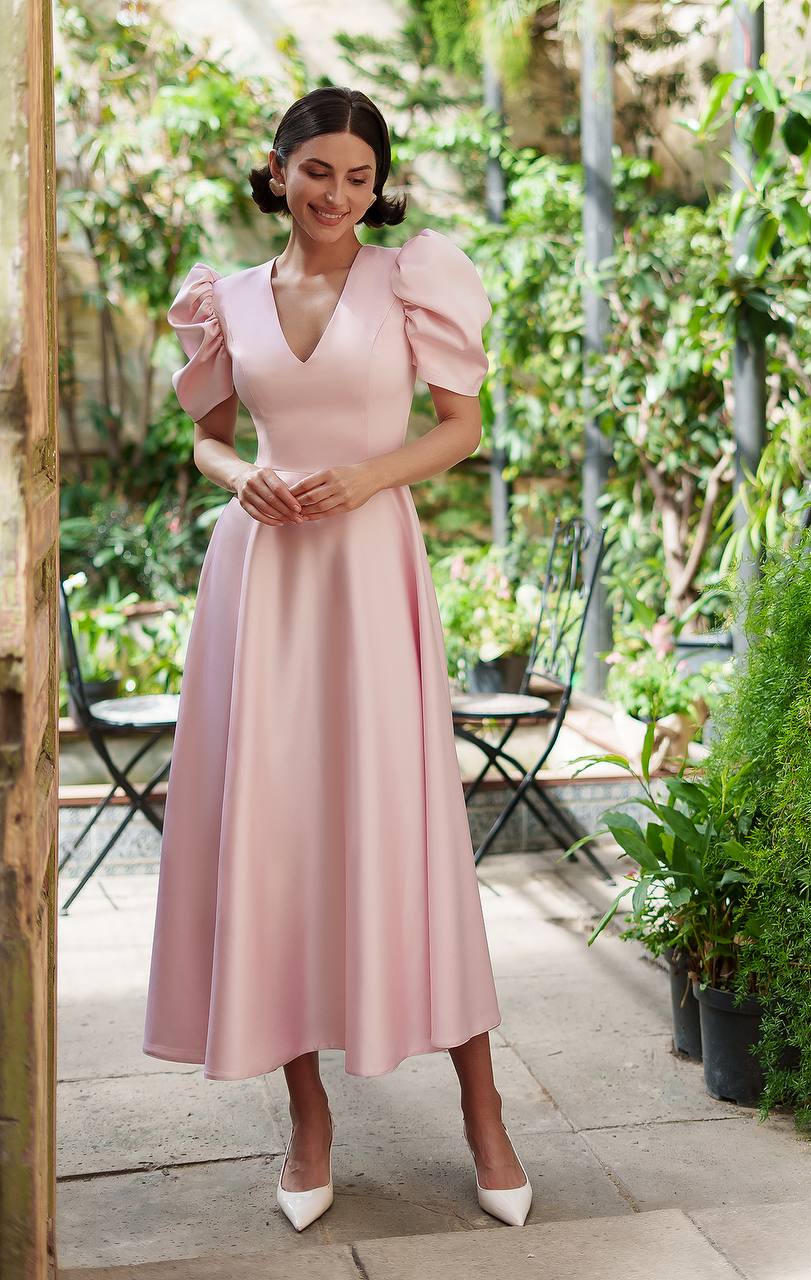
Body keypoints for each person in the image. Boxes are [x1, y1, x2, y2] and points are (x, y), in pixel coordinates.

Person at [142, 84, 532, 1232]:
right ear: (276, 168)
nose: (338, 195)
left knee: (404, 826)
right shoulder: (225, 301)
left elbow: (459, 425)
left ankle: (484, 1111)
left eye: (359, 177)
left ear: (378, 184)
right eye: (318, 171)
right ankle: (306, 1116)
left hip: (368, 574)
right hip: (260, 581)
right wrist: (241, 477)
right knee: (274, 836)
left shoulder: (411, 279)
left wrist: (369, 474)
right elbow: (208, 440)